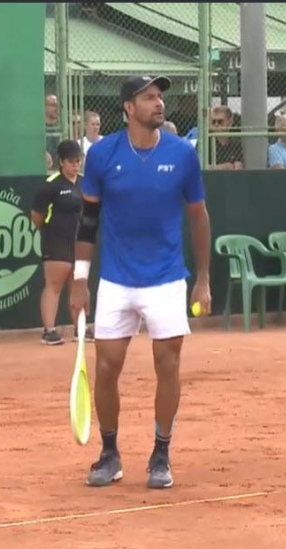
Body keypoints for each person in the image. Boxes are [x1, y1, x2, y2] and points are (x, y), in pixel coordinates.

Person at [69, 75, 211, 490]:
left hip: (167, 278)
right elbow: (88, 220)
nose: (159, 103)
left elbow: (199, 216)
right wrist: (80, 281)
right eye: (149, 97)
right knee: (107, 367)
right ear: (128, 107)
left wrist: (202, 278)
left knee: (167, 365)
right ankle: (110, 453)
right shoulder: (101, 155)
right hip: (116, 278)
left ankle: (161, 453)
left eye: (160, 96)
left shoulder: (183, 154)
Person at [30, 140, 93, 345]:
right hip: (56, 243)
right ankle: (49, 330)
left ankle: (80, 329)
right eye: (71, 161)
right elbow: (36, 216)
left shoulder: (86, 183)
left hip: (80, 243)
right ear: (61, 162)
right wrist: (49, 232)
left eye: (78, 161)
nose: (76, 165)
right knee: (54, 286)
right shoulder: (52, 186)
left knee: (78, 286)